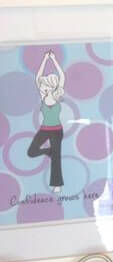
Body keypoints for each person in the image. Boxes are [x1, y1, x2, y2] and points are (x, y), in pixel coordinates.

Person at [27, 49, 65, 191]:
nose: (42, 86)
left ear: (51, 86)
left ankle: (57, 185)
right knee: (31, 151)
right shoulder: (43, 96)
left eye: (44, 85)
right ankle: (49, 151)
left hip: (56, 130)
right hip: (44, 129)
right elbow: (38, 77)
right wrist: (44, 59)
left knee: (56, 159)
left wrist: (54, 59)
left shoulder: (56, 96)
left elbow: (61, 76)